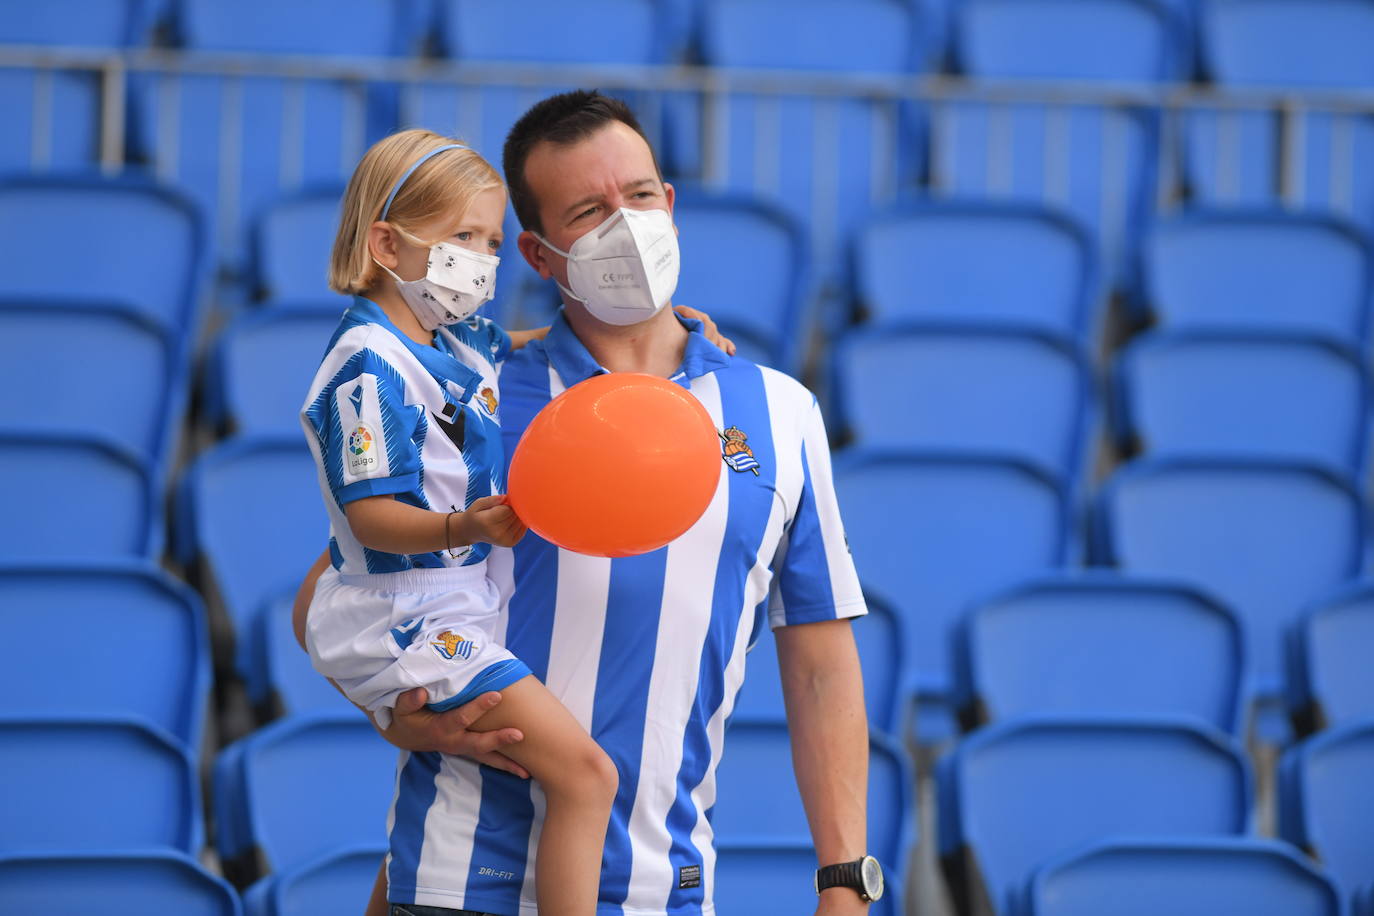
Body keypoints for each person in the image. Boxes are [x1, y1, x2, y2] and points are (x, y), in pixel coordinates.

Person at [296, 92, 875, 916]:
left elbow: (819, 658)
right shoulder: (479, 395)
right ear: (537, 253)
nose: (628, 226)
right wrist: (401, 711)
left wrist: (845, 878)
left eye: (640, 197)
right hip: (461, 880)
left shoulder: (783, 412)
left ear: (669, 205)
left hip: (663, 890)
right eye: (589, 210)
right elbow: (336, 587)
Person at [300, 128, 621, 916]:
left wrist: (671, 329)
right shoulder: (367, 365)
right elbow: (372, 516)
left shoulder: (450, 334)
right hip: (403, 613)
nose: (482, 258)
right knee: (586, 774)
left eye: (489, 239)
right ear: (386, 242)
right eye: (460, 239)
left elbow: (529, 341)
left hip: (452, 601)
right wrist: (463, 528)